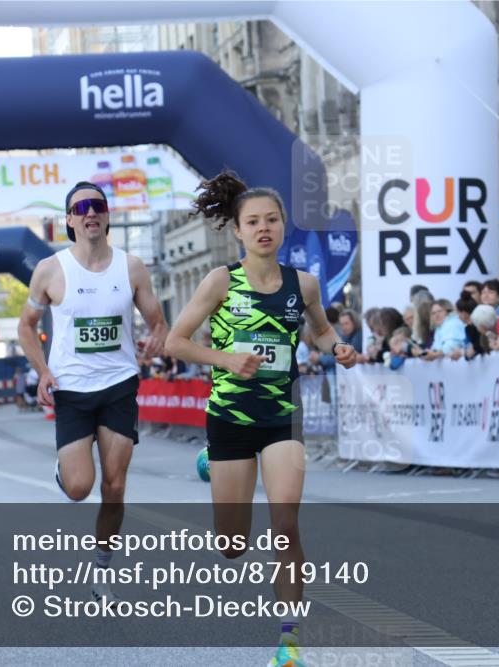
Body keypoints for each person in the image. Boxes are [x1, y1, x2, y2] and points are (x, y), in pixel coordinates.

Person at [164, 171, 357, 667]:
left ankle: (289, 641)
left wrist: (337, 347)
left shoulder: (304, 284)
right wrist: (227, 359)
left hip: (280, 416)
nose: (263, 228)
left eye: (272, 219)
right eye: (253, 221)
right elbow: (176, 342)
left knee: (286, 523)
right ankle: (212, 461)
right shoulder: (219, 281)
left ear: (283, 226)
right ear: (238, 230)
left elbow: (318, 331)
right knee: (231, 545)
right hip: (230, 416)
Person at [18, 181, 169, 606]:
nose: (90, 213)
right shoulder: (50, 269)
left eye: (97, 206)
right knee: (82, 486)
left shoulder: (132, 267)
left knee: (115, 487)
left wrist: (158, 338)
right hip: (72, 390)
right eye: (80, 207)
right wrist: (42, 370)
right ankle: (67, 472)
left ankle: (103, 565)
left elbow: (158, 321)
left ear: (107, 215)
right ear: (68, 220)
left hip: (119, 385)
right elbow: (26, 326)